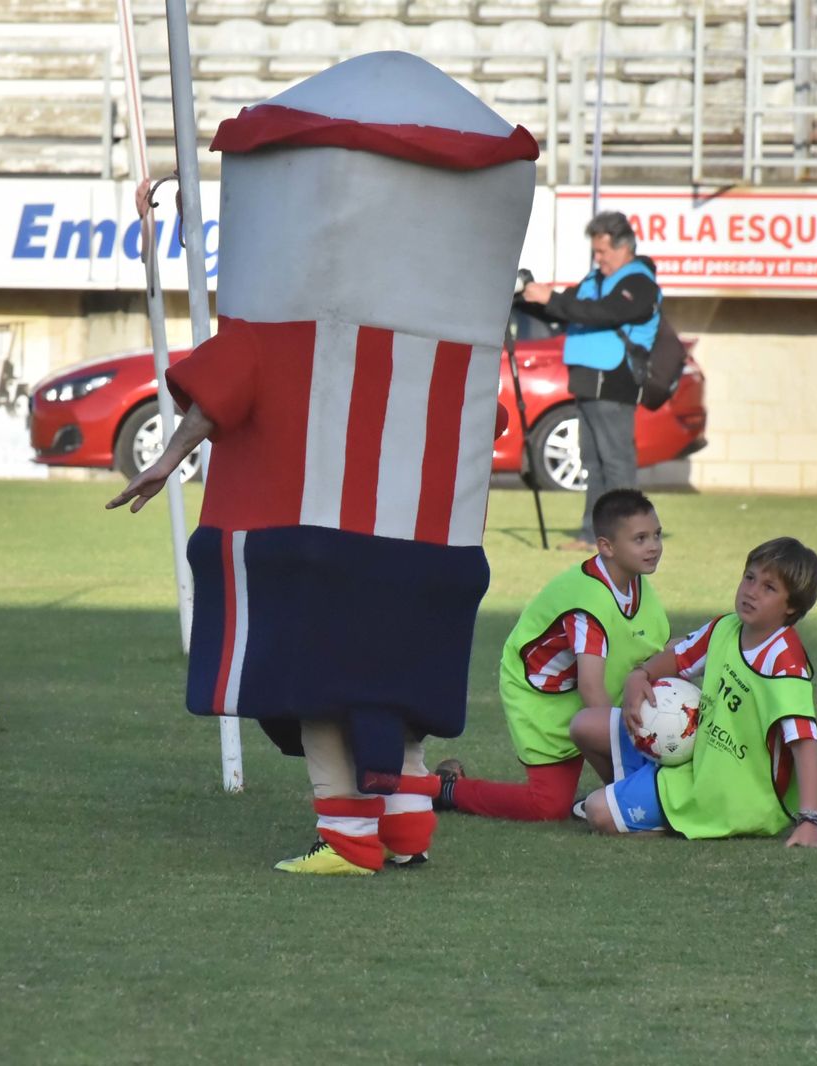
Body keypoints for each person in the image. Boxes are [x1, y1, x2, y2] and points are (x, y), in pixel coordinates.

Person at [106, 53, 538, 875]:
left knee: (315, 698)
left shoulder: (271, 329)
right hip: (432, 546)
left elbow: (217, 398)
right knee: (400, 692)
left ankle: (346, 839)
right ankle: (407, 834)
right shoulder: (461, 355)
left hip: (300, 538)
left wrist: (164, 461)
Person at [400, 489, 668, 822]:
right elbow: (591, 690)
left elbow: (657, 651)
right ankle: (444, 788)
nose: (654, 546)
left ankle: (627, 790)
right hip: (544, 699)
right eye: (640, 539)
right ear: (606, 546)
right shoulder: (588, 605)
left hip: (590, 690)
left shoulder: (635, 581)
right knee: (548, 806)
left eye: (656, 535)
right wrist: (631, 753)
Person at [568, 537, 817, 848]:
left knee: (597, 811)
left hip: (732, 796)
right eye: (749, 578)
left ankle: (650, 814)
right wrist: (639, 676)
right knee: (585, 724)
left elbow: (804, 743)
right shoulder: (726, 627)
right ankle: (633, 799)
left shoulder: (784, 662)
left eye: (769, 588)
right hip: (695, 758)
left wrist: (810, 821)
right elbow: (678, 658)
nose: (751, 591)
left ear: (791, 606)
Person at [519, 211, 661, 550]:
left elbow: (606, 312)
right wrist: (532, 297)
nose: (598, 259)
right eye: (595, 252)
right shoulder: (595, 280)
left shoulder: (639, 283)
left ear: (625, 248)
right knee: (592, 464)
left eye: (603, 252)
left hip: (615, 381)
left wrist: (552, 299)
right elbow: (568, 310)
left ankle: (632, 537)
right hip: (585, 381)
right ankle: (592, 535)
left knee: (617, 464)